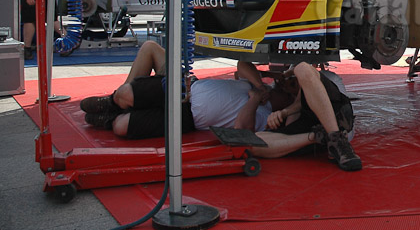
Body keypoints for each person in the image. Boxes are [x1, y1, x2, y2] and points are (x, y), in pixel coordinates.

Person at [79, 41, 362, 171]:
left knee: (122, 127)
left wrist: (260, 101)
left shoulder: (269, 115)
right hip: (187, 86)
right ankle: (113, 103)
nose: (283, 84)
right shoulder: (264, 88)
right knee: (129, 86)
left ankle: (113, 115)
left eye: (288, 86)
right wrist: (263, 84)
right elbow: (242, 63)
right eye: (285, 82)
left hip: (189, 114)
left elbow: (241, 133)